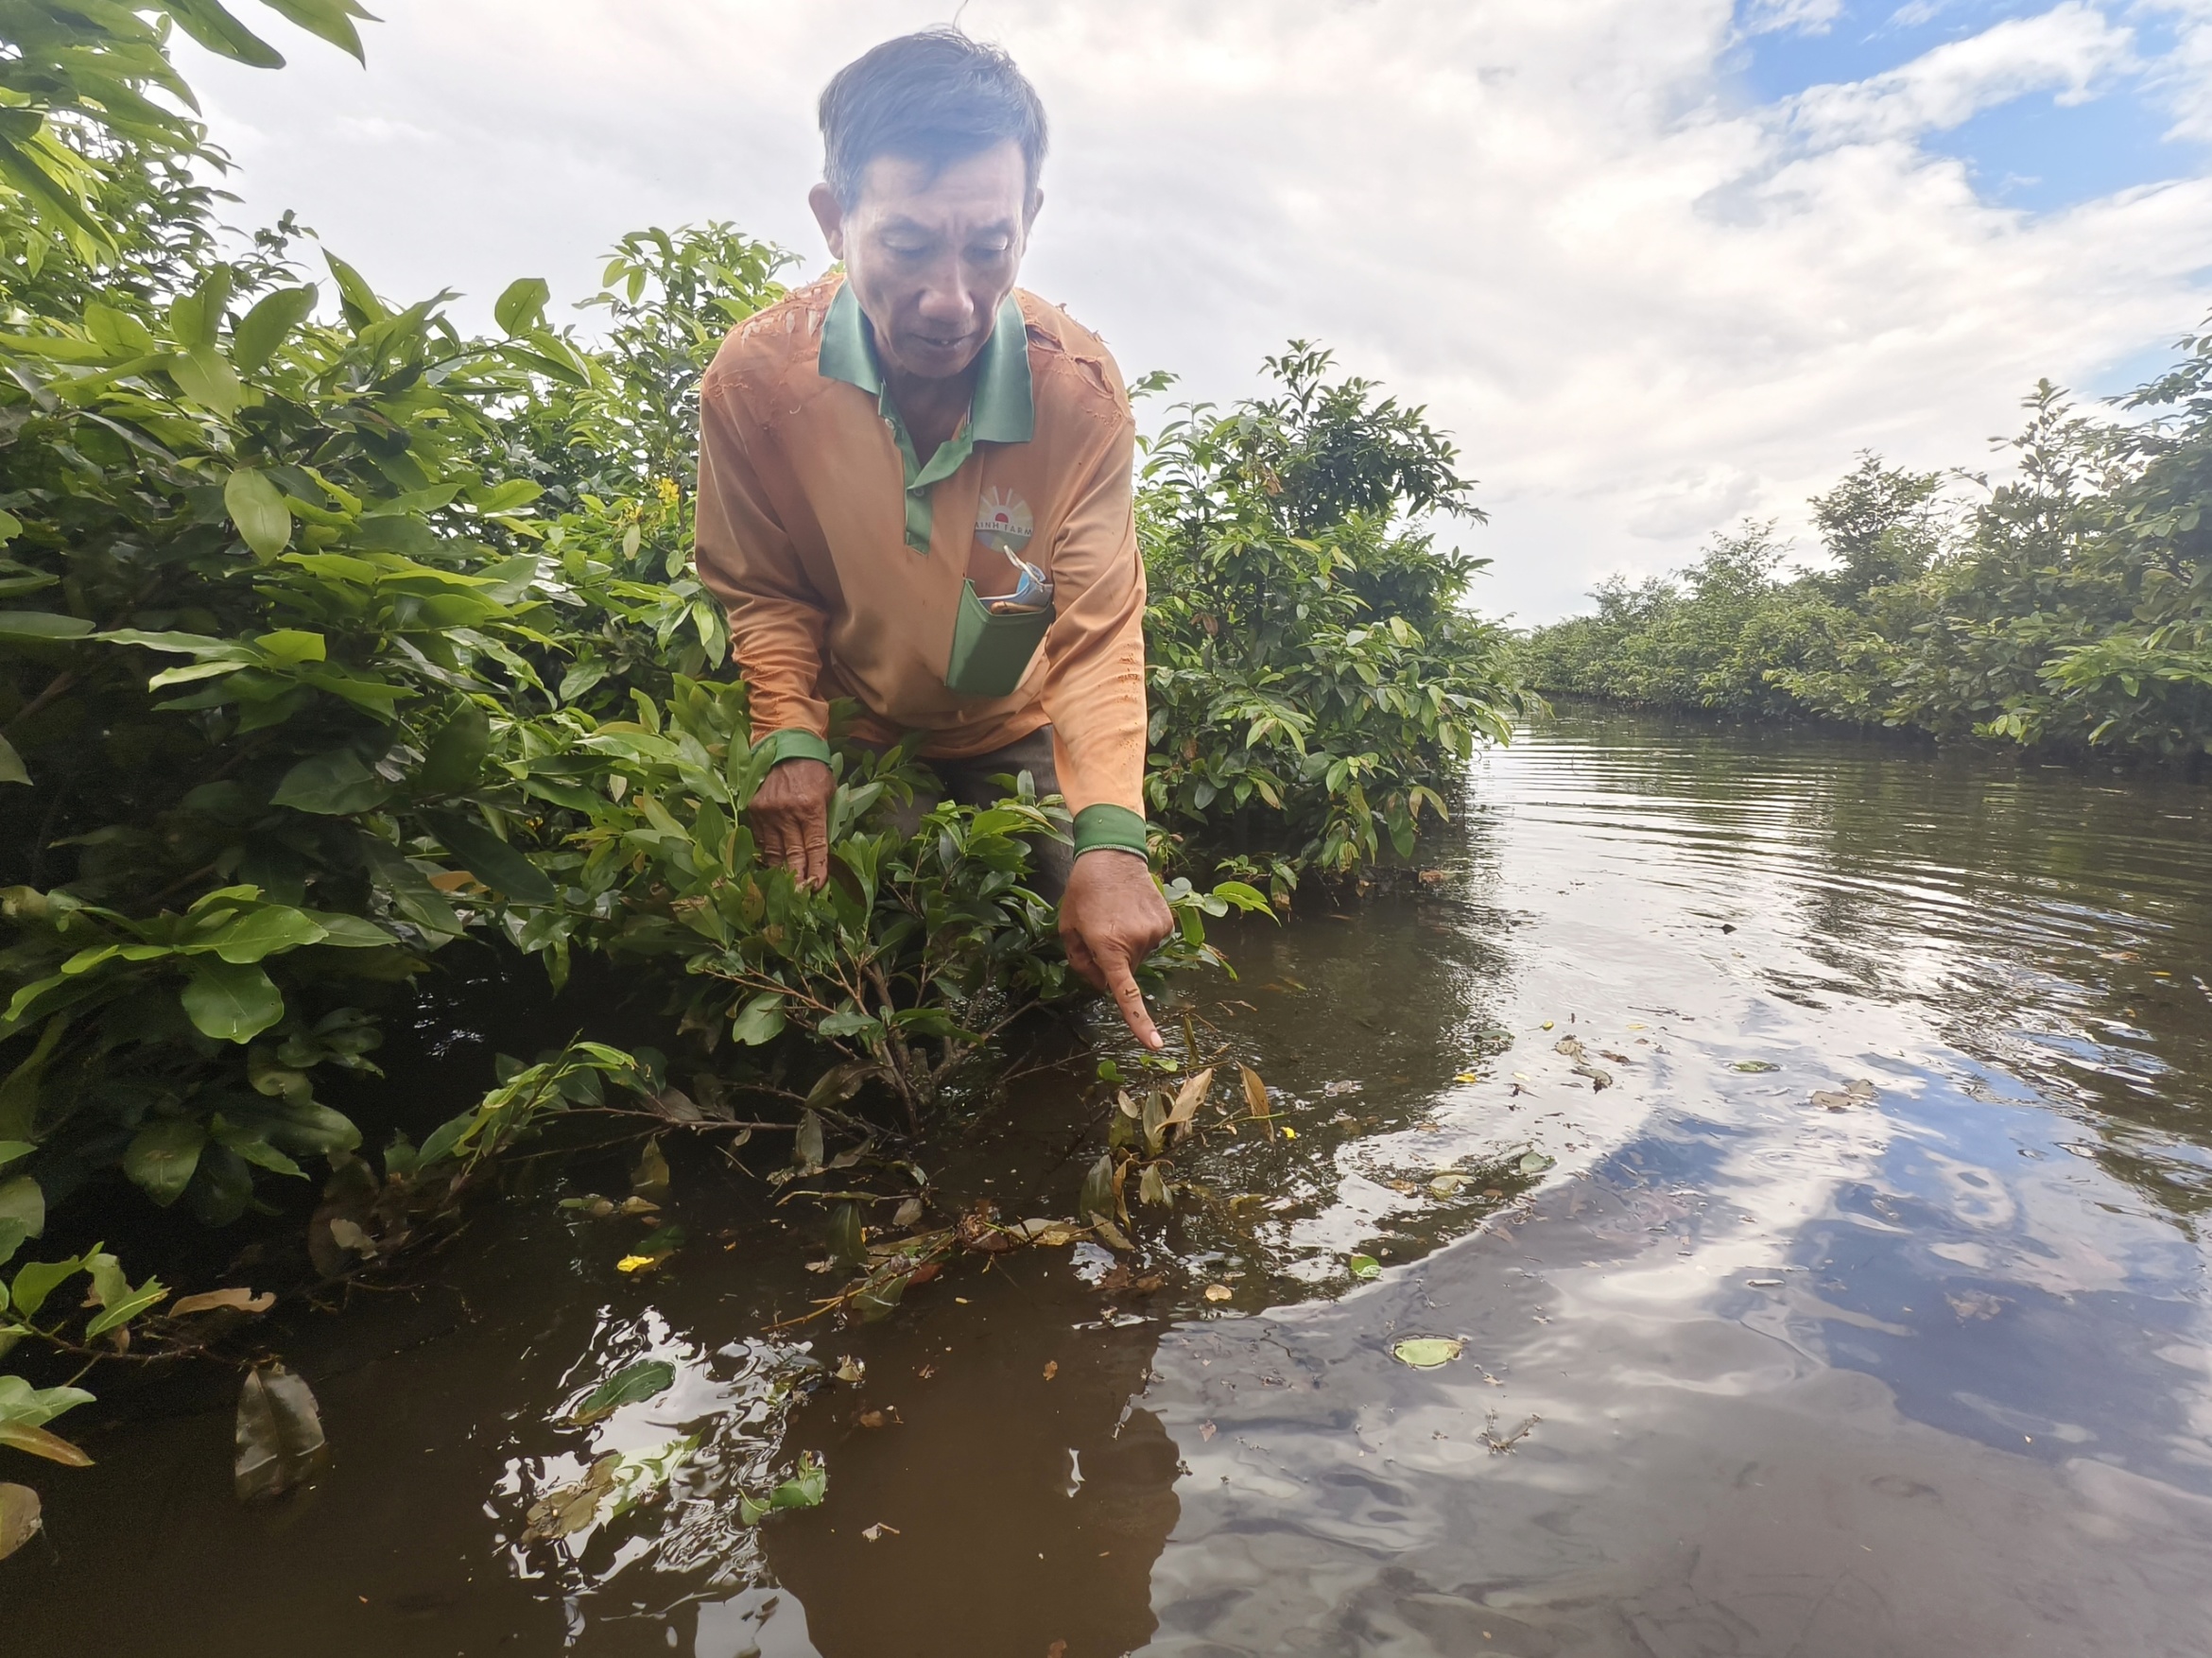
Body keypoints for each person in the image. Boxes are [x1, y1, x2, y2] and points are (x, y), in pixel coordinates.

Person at [693, 27, 1174, 1049]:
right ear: (835, 219)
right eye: (908, 246)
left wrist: (1114, 841)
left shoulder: (1074, 394)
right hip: (870, 730)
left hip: (1020, 722)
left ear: (1029, 222)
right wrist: (789, 736)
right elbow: (764, 585)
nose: (952, 300)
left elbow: (1087, 628)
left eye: (989, 246)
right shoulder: (756, 383)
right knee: (876, 990)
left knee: (1088, 967)